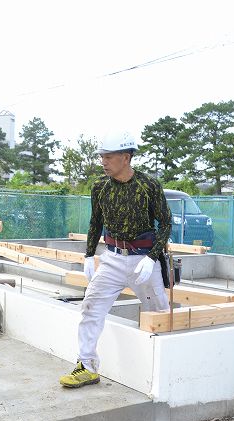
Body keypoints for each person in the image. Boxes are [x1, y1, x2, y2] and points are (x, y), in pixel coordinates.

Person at [59, 130, 171, 388]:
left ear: (126, 157)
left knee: (159, 313)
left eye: (108, 157)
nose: (103, 161)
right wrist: (89, 254)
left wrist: (153, 258)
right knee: (91, 307)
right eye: (102, 156)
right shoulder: (100, 187)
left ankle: (166, 370)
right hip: (112, 258)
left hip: (144, 259)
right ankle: (86, 366)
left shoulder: (148, 186)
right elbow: (95, 221)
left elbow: (166, 223)